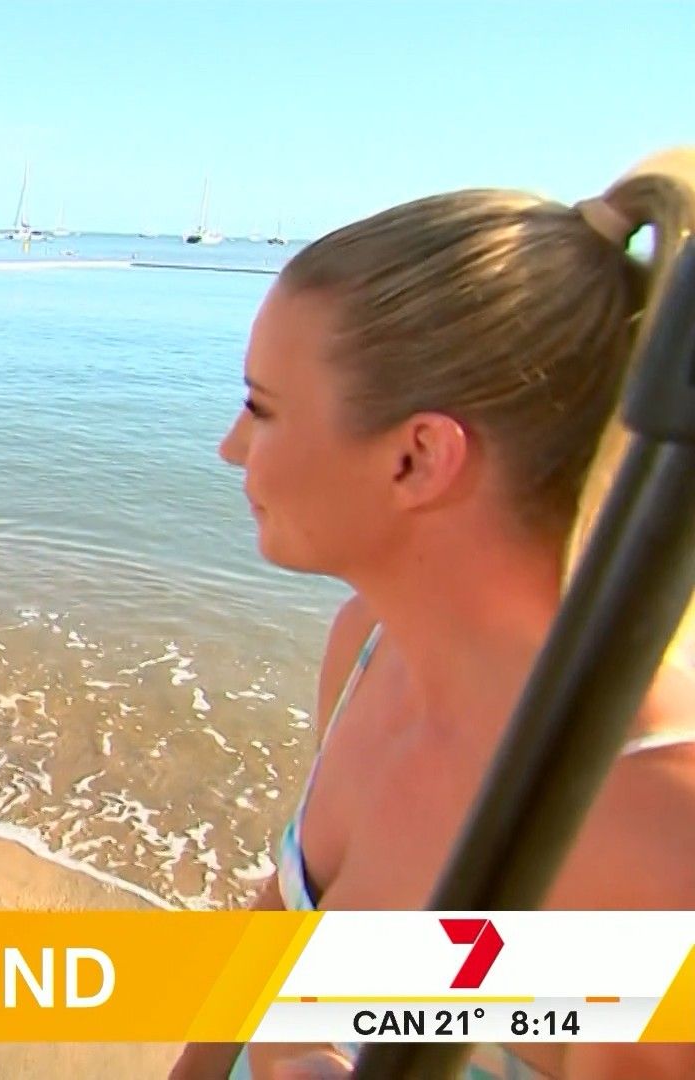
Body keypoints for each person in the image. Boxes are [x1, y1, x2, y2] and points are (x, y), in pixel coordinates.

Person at [170, 149, 695, 1080]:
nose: (231, 446)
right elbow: (281, 926)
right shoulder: (369, 648)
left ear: (417, 457)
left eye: (263, 408)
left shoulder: (657, 838)